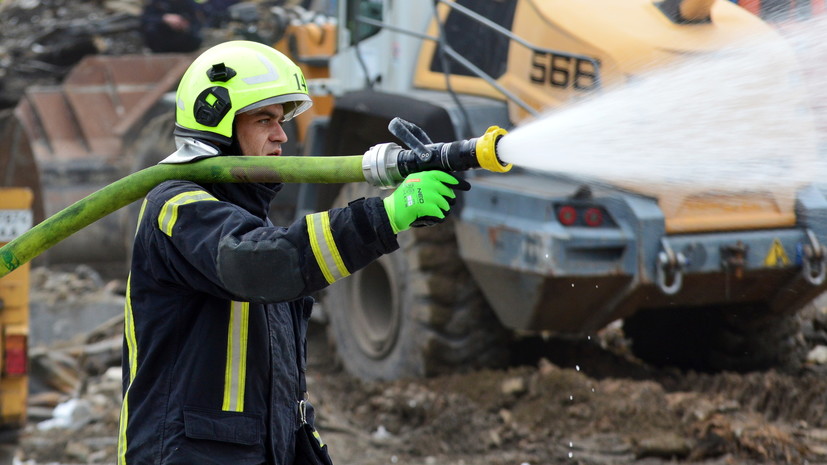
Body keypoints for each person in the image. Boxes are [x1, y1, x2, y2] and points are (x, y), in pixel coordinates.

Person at [117, 40, 470, 465]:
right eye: (264, 119)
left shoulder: (253, 225)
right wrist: (387, 214)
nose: (282, 134)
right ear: (217, 123)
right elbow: (259, 264)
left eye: (282, 120)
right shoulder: (175, 209)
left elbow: (276, 396)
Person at [140, 0, 238, 53]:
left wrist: (185, 25)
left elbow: (198, 22)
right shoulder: (157, 3)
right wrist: (164, 18)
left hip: (184, 42)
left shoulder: (188, 4)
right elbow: (144, 19)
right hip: (161, 43)